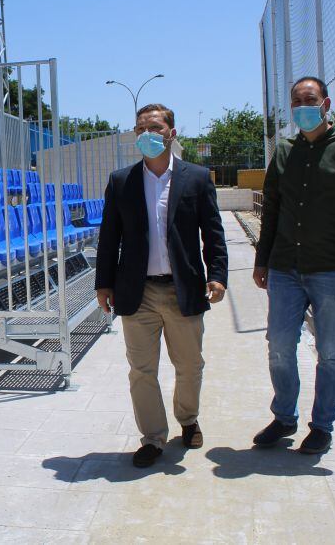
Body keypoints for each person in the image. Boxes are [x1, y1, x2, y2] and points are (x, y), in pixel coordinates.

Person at [252, 76, 335, 455]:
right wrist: (262, 260)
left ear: (326, 103)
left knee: (330, 353)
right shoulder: (285, 151)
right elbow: (271, 210)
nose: (302, 107)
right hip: (285, 269)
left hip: (333, 269)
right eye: (296, 101)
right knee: (278, 346)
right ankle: (284, 417)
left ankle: (322, 425)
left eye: (309, 99)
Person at [95, 103, 228, 468]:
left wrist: (217, 274)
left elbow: (213, 233)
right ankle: (153, 437)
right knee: (141, 369)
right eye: (140, 129)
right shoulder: (122, 181)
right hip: (137, 293)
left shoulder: (196, 178)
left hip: (182, 288)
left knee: (189, 366)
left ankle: (187, 419)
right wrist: (103, 283)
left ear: (172, 132)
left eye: (154, 127)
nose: (147, 135)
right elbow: (110, 237)